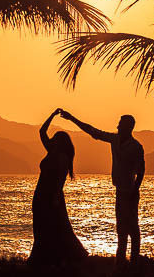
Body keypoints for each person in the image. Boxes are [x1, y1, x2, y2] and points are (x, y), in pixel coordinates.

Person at [60, 110, 144, 264]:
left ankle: (134, 261)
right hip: (120, 190)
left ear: (128, 127)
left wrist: (134, 191)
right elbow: (93, 131)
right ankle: (121, 262)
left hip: (130, 192)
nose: (117, 126)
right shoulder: (114, 139)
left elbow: (141, 171)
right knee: (121, 229)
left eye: (120, 124)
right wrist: (71, 118)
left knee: (132, 227)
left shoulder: (136, 147)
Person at [28, 108, 88, 266]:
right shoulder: (51, 151)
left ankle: (57, 257)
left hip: (51, 195)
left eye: (55, 138)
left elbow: (59, 181)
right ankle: (42, 256)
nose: (52, 140)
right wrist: (52, 115)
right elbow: (42, 131)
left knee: (56, 226)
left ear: (60, 142)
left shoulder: (62, 157)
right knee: (40, 224)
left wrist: (55, 198)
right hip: (41, 193)